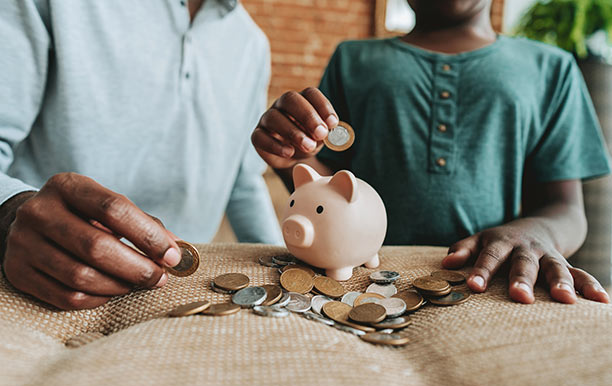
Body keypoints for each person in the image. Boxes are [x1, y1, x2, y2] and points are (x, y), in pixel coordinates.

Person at [252, 0, 612, 304]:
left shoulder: (552, 69)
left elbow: (566, 209)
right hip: (361, 284)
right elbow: (330, 189)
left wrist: (535, 234)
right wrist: (294, 160)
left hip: (489, 284)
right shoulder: (354, 61)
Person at [0, 0, 282, 310]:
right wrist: (10, 213)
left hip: (181, 295)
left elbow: (241, 183)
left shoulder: (253, 46)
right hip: (48, 281)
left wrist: (282, 267)